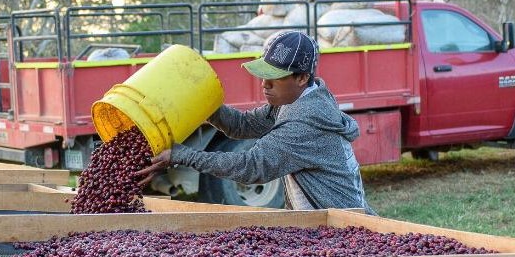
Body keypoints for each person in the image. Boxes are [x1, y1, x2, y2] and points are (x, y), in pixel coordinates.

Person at [136, 30, 374, 213]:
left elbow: (251, 167)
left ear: (302, 78)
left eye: (274, 77)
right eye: (263, 74)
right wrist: (202, 102)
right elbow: (243, 125)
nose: (264, 84)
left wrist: (183, 155)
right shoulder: (296, 98)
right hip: (325, 221)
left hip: (344, 227)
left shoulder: (305, 121)